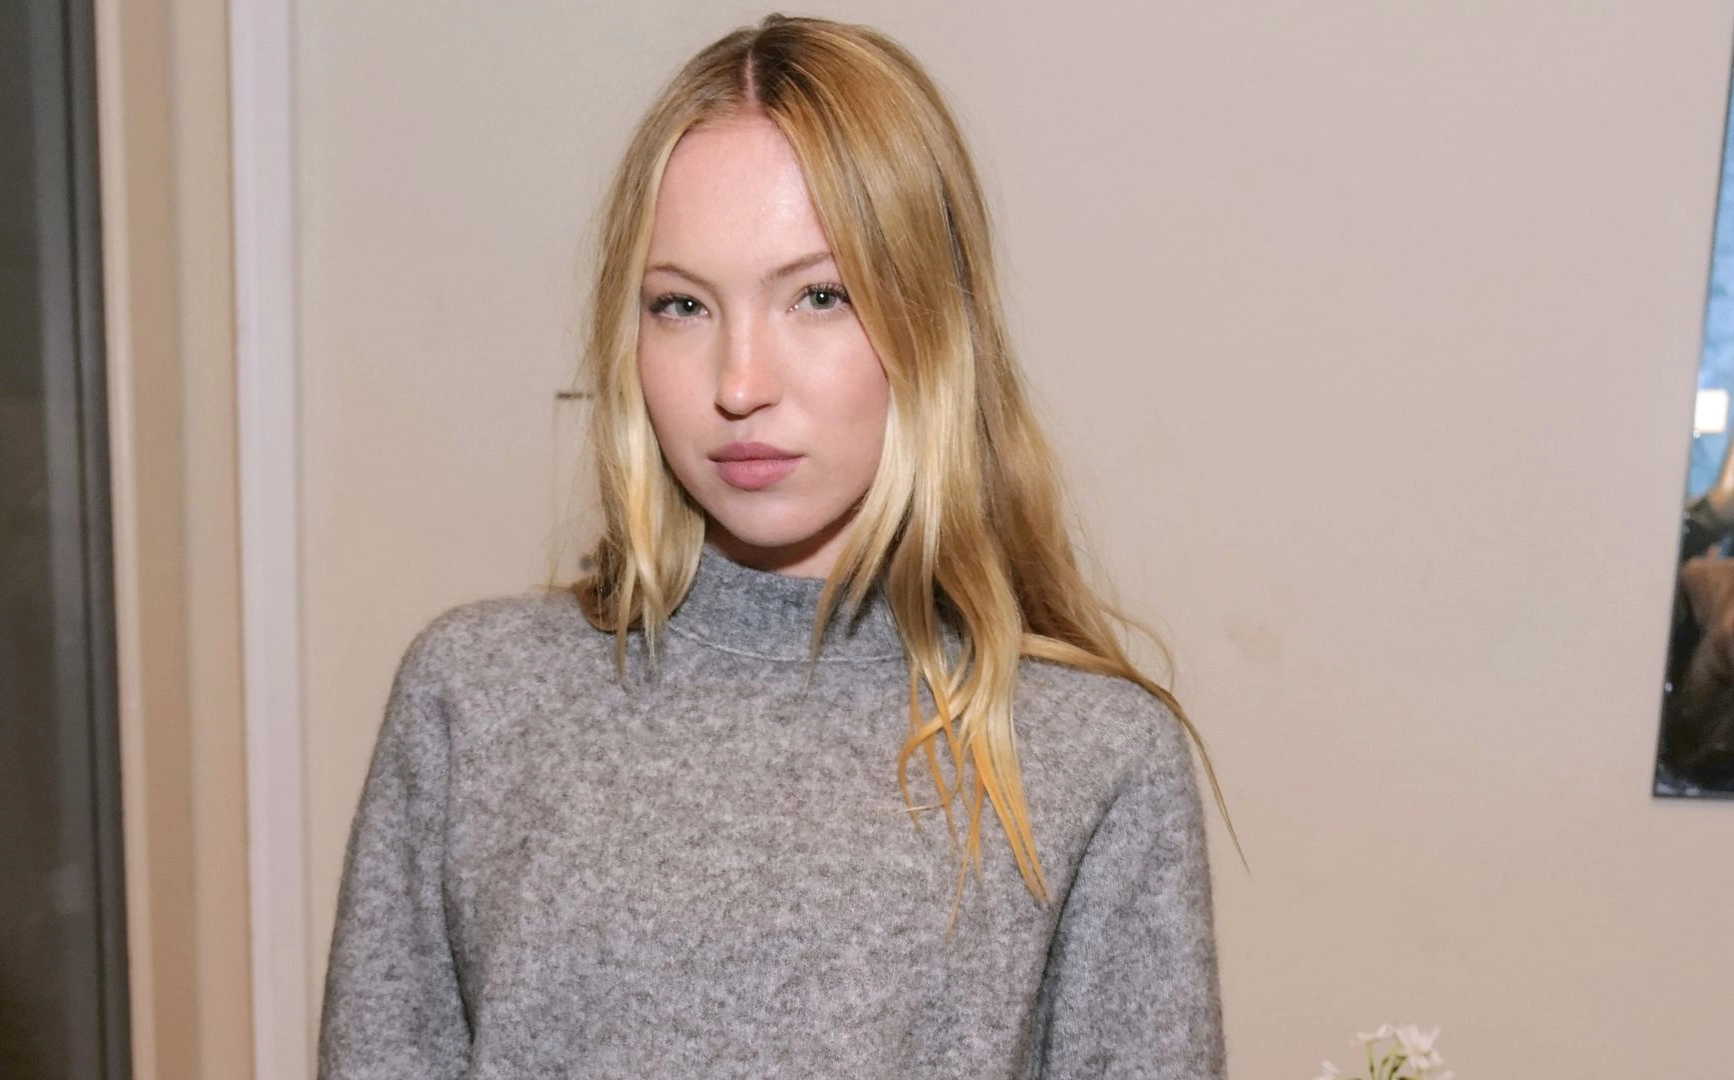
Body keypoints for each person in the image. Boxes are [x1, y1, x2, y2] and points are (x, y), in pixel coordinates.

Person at [317, 13, 1234, 1078]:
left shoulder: (1093, 755)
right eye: (681, 305)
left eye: (819, 296)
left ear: (934, 324)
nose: (740, 382)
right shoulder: (475, 697)